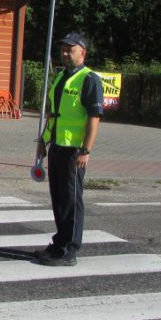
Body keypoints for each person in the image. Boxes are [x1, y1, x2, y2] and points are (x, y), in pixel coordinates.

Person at [34, 32, 104, 266]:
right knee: (59, 199)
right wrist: (43, 141)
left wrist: (86, 150)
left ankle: (69, 250)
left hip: (74, 150)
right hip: (57, 146)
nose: (65, 53)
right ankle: (59, 243)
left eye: (70, 50)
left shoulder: (89, 79)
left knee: (72, 201)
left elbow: (94, 117)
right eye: (63, 49)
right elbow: (53, 113)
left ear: (82, 53)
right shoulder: (61, 77)